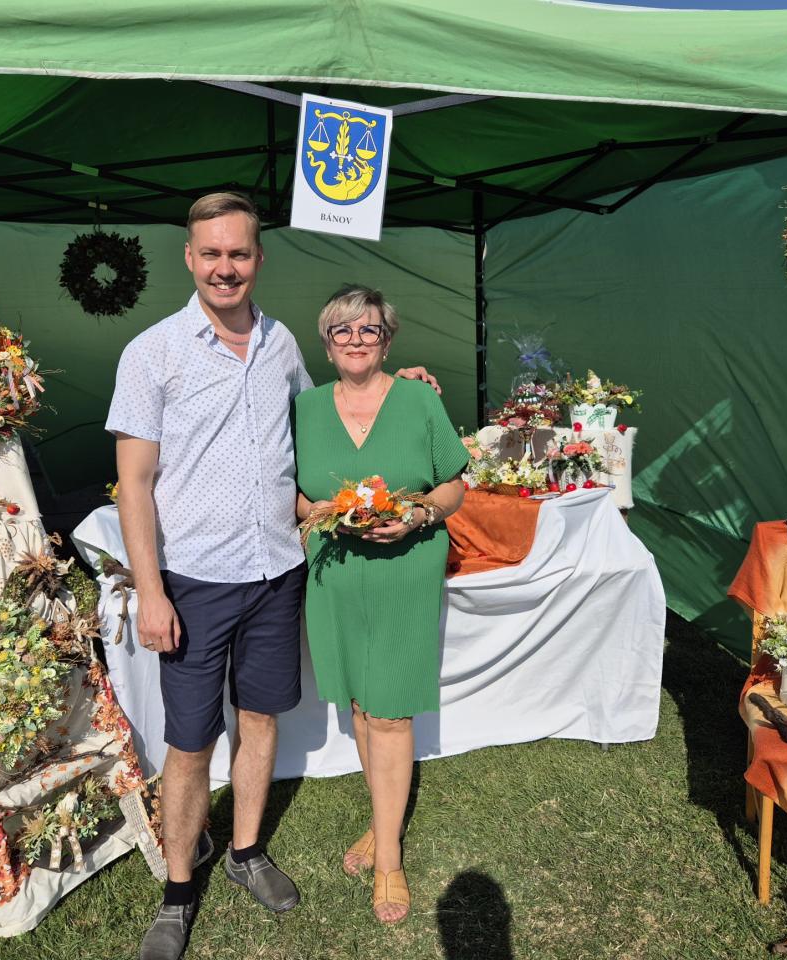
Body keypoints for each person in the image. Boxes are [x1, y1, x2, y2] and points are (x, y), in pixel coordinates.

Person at [107, 194, 436, 960]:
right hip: (194, 579)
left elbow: (324, 416)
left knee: (260, 720)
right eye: (211, 253)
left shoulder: (282, 343)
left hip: (277, 572)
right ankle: (178, 891)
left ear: (258, 259)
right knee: (190, 743)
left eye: (239, 253)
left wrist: (395, 383)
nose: (225, 267)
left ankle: (246, 850)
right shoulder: (152, 353)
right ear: (190, 258)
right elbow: (135, 483)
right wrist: (150, 591)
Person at [293, 285, 469, 925]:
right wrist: (317, 511)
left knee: (390, 711)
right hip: (335, 576)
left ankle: (389, 857)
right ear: (327, 344)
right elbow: (290, 492)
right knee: (362, 706)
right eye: (342, 330)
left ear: (387, 341)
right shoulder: (306, 407)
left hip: (404, 570)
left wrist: (420, 515)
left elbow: (453, 483)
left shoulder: (419, 399)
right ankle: (382, 819)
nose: (356, 340)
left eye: (369, 329)